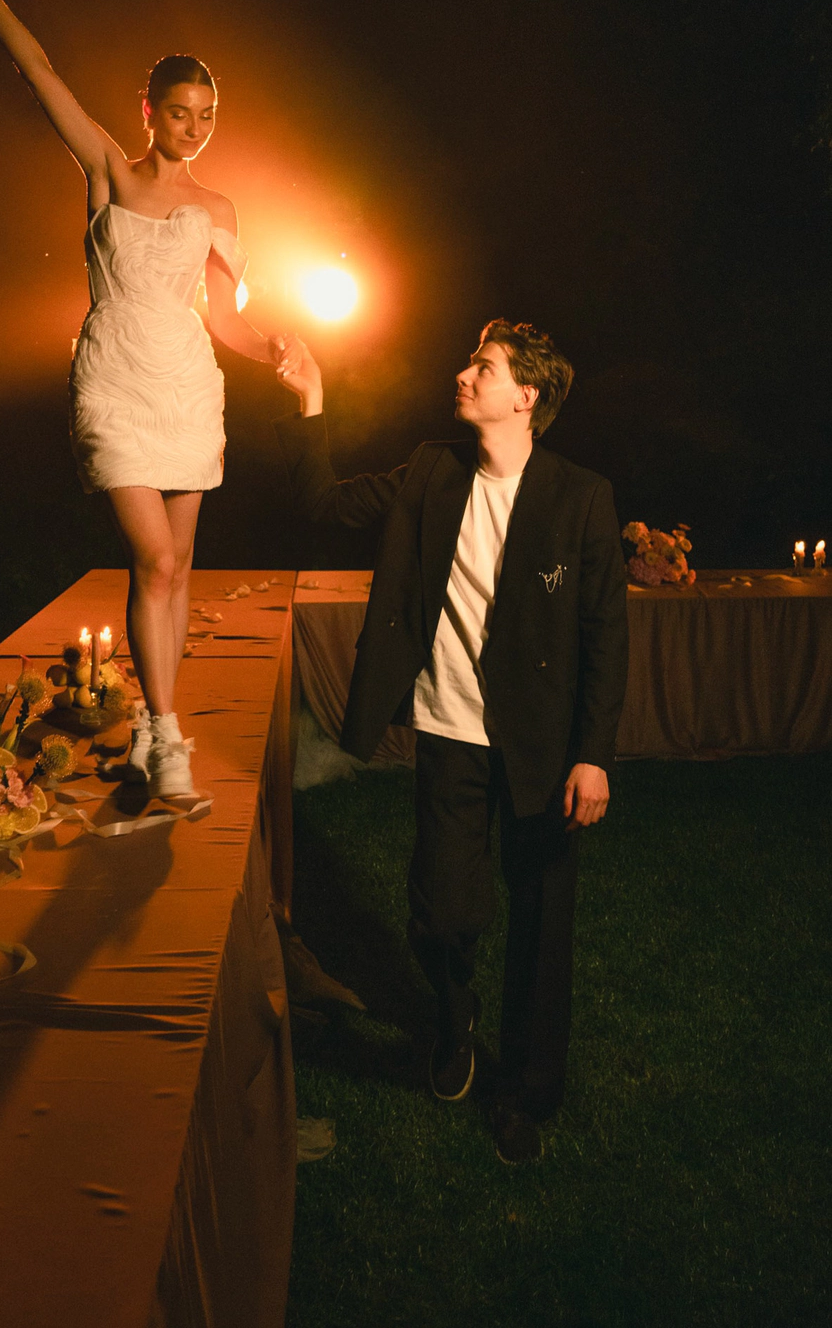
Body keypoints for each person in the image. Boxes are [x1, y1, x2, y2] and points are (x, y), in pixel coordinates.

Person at [0, 0, 299, 797]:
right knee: (157, 561)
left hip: (187, 384)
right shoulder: (108, 170)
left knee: (176, 569)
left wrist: (275, 348)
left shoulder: (219, 209)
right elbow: (39, 70)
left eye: (207, 116)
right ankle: (167, 739)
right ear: (149, 111)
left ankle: (149, 732)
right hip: (115, 376)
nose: (193, 129)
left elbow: (226, 321)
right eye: (179, 113)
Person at [275, 320, 629, 1162]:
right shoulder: (432, 470)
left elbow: (605, 635)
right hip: (449, 731)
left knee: (542, 922)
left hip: (543, 746)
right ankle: (454, 1015)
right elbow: (326, 503)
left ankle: (526, 1092)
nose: (465, 375)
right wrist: (311, 401)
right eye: (471, 361)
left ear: (526, 395)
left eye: (486, 366)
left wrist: (593, 754)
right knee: (440, 913)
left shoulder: (580, 496)